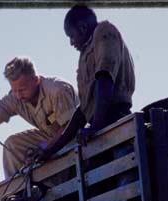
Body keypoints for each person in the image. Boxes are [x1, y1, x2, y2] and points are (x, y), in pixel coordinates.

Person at [37, 5, 135, 161]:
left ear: (82, 28)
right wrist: (50, 150)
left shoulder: (104, 32)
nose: (71, 42)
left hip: (116, 122)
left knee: (125, 178)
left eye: (71, 36)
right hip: (99, 129)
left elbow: (105, 78)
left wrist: (95, 126)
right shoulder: (84, 55)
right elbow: (83, 111)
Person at [0, 56, 78, 178]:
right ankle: (16, 193)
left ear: (36, 80)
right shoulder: (15, 98)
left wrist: (45, 146)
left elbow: (70, 128)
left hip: (75, 136)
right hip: (51, 138)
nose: (18, 95)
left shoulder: (57, 90)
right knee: (12, 144)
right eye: (14, 90)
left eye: (22, 90)